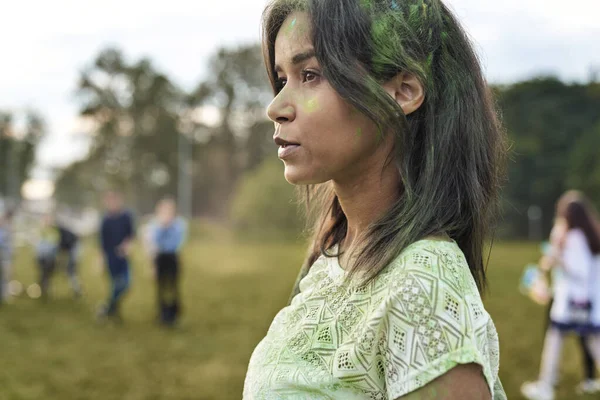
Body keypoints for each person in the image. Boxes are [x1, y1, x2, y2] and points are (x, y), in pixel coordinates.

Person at [244, 1, 508, 399]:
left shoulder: (422, 285)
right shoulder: (333, 255)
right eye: (282, 79)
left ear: (403, 92)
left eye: (310, 74)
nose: (276, 107)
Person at [522, 192, 600, 400]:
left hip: (574, 301)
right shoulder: (590, 235)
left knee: (557, 339)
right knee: (591, 341)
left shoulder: (576, 238)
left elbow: (579, 271)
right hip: (587, 301)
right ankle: (545, 384)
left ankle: (545, 387)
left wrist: (559, 260)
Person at [149, 197, 186, 326]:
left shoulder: (179, 224)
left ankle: (174, 313)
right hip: (160, 258)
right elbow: (154, 242)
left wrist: (168, 226)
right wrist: (162, 226)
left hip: (172, 257)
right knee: (161, 287)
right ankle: (162, 313)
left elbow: (177, 242)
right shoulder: (156, 225)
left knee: (173, 286)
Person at [98, 191, 135, 321]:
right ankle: (113, 309)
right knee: (115, 284)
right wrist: (101, 260)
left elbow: (131, 235)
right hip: (111, 257)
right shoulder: (105, 221)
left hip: (123, 257)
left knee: (126, 283)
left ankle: (109, 306)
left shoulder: (126, 216)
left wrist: (126, 246)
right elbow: (102, 243)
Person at [35, 213, 60, 300]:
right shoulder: (42, 230)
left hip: (50, 257)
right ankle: (43, 289)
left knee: (48, 275)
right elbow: (38, 244)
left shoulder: (54, 231)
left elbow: (56, 243)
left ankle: (45, 289)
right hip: (42, 256)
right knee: (43, 274)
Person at [56, 219, 82, 298]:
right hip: (73, 250)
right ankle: (76, 287)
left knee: (71, 270)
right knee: (70, 270)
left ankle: (76, 289)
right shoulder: (64, 231)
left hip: (74, 249)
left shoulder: (63, 233)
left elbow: (67, 244)